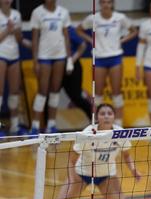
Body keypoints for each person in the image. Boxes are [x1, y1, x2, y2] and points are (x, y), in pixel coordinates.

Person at [77, 0, 137, 126]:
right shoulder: (93, 18)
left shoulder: (120, 18)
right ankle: (96, 125)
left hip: (115, 57)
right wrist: (91, 40)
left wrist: (122, 40)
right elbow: (79, 29)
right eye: (103, 2)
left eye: (109, 2)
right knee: (97, 94)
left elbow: (134, 31)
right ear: (100, 4)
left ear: (112, 4)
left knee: (116, 92)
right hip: (99, 58)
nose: (106, 4)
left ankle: (118, 126)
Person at [30, 0, 73, 135]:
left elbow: (66, 37)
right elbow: (35, 38)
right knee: (42, 91)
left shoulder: (64, 12)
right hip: (44, 57)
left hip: (60, 56)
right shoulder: (37, 12)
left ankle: (51, 125)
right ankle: (35, 126)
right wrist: (35, 61)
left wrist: (69, 59)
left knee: (55, 90)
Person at [0, 0, 27, 135]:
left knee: (14, 92)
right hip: (1, 55)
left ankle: (15, 126)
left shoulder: (17, 14)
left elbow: (19, 39)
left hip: (14, 55)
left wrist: (17, 32)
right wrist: (7, 29)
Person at [62, 25, 91, 120]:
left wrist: (71, 62)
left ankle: (94, 119)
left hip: (72, 64)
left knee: (76, 96)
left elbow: (83, 45)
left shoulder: (69, 30)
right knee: (49, 95)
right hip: (53, 64)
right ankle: (47, 125)